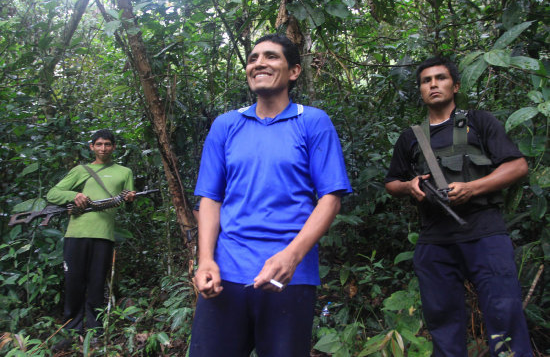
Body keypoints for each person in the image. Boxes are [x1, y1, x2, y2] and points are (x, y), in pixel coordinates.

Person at [190, 34, 352, 356]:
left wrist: (291, 256)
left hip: (289, 277)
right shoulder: (226, 125)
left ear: (293, 71)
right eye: (253, 58)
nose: (259, 63)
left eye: (271, 57)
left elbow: (331, 198)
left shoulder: (313, 122)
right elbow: (210, 198)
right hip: (227, 273)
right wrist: (206, 259)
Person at [385, 56, 532, 356]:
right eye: (426, 81)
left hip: (485, 232)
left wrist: (472, 188)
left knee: (505, 315)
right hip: (435, 239)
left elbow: (517, 166)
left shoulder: (479, 122)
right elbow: (392, 183)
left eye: (440, 78)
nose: (433, 85)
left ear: (456, 86)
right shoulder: (411, 137)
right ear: (421, 90)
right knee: (442, 322)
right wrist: (409, 186)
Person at [47, 129, 135, 339]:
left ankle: (95, 332)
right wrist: (74, 195)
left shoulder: (124, 172)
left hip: (103, 235)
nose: (103, 149)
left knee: (96, 283)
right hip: (76, 234)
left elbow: (128, 205)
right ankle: (72, 330)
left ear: (114, 147)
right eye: (99, 144)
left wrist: (130, 200)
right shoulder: (81, 170)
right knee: (74, 282)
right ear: (91, 147)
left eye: (107, 144)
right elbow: (52, 193)